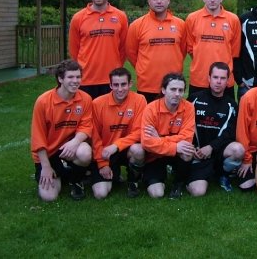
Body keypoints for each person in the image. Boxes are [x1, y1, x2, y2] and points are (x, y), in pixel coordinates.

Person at [30, 60, 92, 201]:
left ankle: (75, 181)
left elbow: (86, 127)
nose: (75, 81)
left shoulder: (85, 99)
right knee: (49, 197)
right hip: (49, 154)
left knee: (85, 152)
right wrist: (45, 166)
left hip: (69, 149)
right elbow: (38, 137)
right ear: (60, 79)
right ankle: (60, 173)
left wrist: (75, 142)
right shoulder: (43, 102)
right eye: (70, 77)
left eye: (78, 77)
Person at [186, 62, 245, 196]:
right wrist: (193, 146)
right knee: (198, 192)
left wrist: (211, 147)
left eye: (222, 78)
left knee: (238, 149)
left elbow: (230, 133)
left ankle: (224, 175)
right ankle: (184, 176)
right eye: (215, 77)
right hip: (197, 152)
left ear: (228, 81)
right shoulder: (194, 99)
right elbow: (185, 125)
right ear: (209, 78)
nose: (218, 82)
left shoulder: (231, 105)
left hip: (217, 152)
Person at [69, 0, 128, 99]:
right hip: (86, 80)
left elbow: (124, 48)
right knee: (87, 117)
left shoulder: (120, 16)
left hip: (112, 80)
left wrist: (116, 66)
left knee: (109, 117)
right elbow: (74, 50)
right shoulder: (78, 18)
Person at [90, 67, 147, 199]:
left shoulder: (140, 100)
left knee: (138, 150)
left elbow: (139, 132)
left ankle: (133, 181)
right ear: (110, 85)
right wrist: (102, 164)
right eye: (116, 85)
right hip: (105, 153)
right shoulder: (98, 103)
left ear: (130, 84)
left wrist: (117, 145)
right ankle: (111, 174)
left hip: (126, 149)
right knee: (100, 194)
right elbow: (95, 137)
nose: (120, 89)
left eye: (123, 84)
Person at [126, 0, 187, 103]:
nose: (159, 1)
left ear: (168, 0)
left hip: (173, 86)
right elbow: (131, 53)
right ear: (149, 1)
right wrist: (144, 69)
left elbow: (183, 51)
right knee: (148, 121)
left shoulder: (180, 24)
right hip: (147, 86)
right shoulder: (137, 25)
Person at [141, 73, 195, 199]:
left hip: (177, 153)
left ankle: (178, 183)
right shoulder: (151, 109)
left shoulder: (189, 107)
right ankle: (146, 177)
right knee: (157, 194)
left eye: (180, 90)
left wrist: (159, 138)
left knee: (187, 150)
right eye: (173, 89)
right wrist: (175, 147)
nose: (177, 94)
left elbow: (187, 138)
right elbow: (146, 142)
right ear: (163, 90)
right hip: (155, 155)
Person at [185, 0, 240, 98]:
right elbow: (190, 49)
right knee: (195, 115)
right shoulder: (192, 18)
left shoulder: (233, 20)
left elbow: (234, 52)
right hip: (199, 79)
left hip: (224, 81)